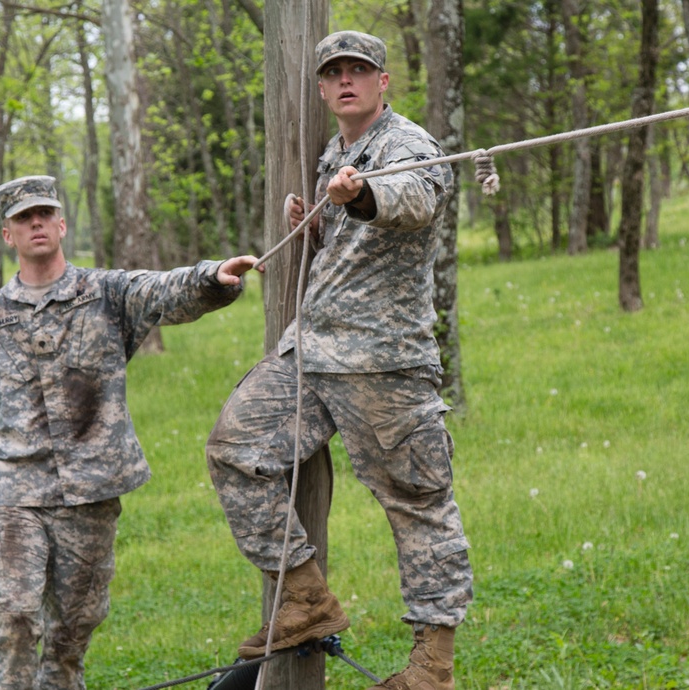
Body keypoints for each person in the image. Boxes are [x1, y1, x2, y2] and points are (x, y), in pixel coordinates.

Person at [0, 174, 260, 690]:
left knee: (71, 632)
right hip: (16, 494)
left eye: (43, 214)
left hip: (91, 493)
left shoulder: (106, 294)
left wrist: (214, 276)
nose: (35, 223)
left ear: (60, 223)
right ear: (7, 235)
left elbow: (165, 290)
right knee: (13, 616)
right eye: (21, 218)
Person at [205, 31, 472, 690]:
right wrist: (322, 218)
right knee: (235, 447)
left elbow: (416, 199)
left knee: (418, 504)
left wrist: (362, 197)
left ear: (383, 83)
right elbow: (356, 241)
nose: (347, 80)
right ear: (323, 89)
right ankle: (305, 597)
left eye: (360, 70)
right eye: (335, 73)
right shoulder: (337, 149)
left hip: (383, 363)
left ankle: (431, 667)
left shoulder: (406, 144)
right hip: (313, 352)